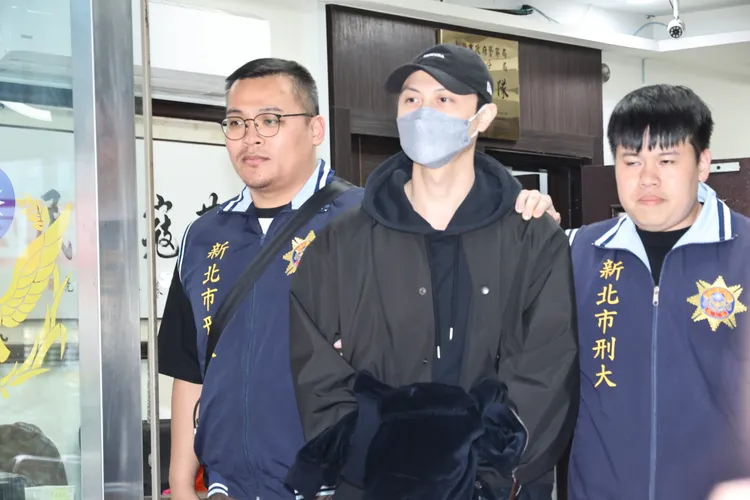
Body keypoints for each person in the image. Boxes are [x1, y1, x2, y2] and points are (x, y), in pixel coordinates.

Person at [156, 56, 558, 500]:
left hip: (333, 481)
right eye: (236, 123)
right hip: (226, 486)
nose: (251, 137)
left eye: (270, 120)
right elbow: (190, 367)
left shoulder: (366, 222)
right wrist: (181, 482)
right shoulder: (203, 236)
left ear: (316, 129)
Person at [284, 44, 579, 500]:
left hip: (497, 488)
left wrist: (486, 468)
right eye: (411, 99)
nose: (423, 112)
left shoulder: (532, 237)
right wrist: (372, 455)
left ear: (482, 117)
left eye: (444, 99)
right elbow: (315, 367)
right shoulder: (343, 241)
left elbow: (548, 368)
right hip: (376, 484)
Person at [564, 84, 750, 500]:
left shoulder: (745, 252)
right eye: (631, 161)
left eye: (666, 160)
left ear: (703, 163)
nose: (647, 178)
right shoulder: (576, 252)